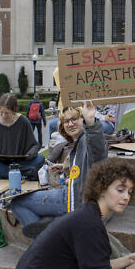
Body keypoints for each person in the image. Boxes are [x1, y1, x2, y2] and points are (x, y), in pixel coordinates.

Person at [10, 100, 107, 237]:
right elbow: (86, 165)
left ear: (83, 119)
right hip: (79, 198)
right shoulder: (79, 142)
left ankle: (46, 240)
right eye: (66, 121)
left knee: (17, 202)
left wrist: (91, 123)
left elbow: (98, 152)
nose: (70, 124)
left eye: (74, 119)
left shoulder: (88, 139)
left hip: (75, 200)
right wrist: (63, 167)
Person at [0, 93, 45, 180]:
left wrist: (29, 154)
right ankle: (18, 173)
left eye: (7, 113)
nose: (3, 116)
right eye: (1, 112)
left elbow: (34, 145)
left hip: (20, 161)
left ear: (14, 111)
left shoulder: (23, 121)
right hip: (0, 161)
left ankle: (5, 173)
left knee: (40, 158)